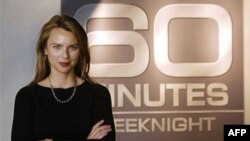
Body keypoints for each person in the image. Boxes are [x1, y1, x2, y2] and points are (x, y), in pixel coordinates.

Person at [11, 14, 116, 141]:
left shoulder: (98, 94)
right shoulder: (27, 97)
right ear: (45, 49)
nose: (65, 55)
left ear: (80, 50)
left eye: (73, 47)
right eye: (57, 47)